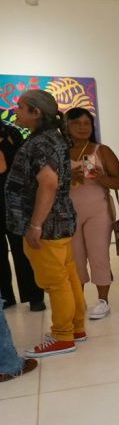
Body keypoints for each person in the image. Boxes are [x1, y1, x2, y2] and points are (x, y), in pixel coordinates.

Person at [6, 90, 86, 357]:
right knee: (67, 274)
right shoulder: (54, 138)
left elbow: (48, 183)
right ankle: (76, 328)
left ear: (36, 113)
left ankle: (63, 336)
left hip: (48, 223)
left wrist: (35, 225)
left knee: (55, 281)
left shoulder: (40, 143)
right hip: (61, 219)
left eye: (20, 107)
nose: (15, 111)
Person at [65, 108, 119, 320]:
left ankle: (103, 301)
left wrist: (101, 178)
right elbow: (48, 182)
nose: (83, 127)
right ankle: (77, 299)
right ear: (67, 126)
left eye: (87, 124)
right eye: (77, 123)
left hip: (98, 210)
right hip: (68, 212)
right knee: (74, 258)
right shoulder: (60, 151)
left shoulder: (102, 150)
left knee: (99, 254)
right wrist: (68, 175)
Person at [0, 121, 45, 311]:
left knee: (23, 251)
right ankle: (5, 296)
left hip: (14, 201)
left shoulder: (11, 133)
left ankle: (34, 296)